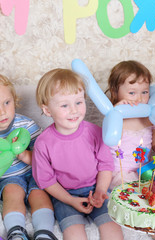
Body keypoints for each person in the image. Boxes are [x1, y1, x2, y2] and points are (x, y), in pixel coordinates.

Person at [32, 69, 123, 240]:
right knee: (74, 235)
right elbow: (47, 181)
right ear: (47, 110)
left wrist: (100, 191)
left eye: (79, 102)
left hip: (96, 189)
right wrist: (70, 200)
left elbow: (105, 165)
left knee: (113, 230)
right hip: (65, 195)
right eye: (65, 105)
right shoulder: (43, 143)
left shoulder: (95, 132)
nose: (74, 110)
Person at [0, 74, 57, 240]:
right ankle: (16, 232)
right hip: (9, 179)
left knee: (39, 193)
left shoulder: (26, 126)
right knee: (12, 192)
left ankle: (44, 232)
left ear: (14, 100)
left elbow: (44, 160)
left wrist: (24, 155)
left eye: (7, 103)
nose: (2, 111)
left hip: (35, 173)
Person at [105, 60, 155, 190]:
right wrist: (116, 110)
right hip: (119, 173)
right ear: (115, 93)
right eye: (132, 93)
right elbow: (106, 138)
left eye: (144, 92)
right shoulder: (115, 117)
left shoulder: (149, 118)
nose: (139, 99)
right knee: (130, 194)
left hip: (144, 171)